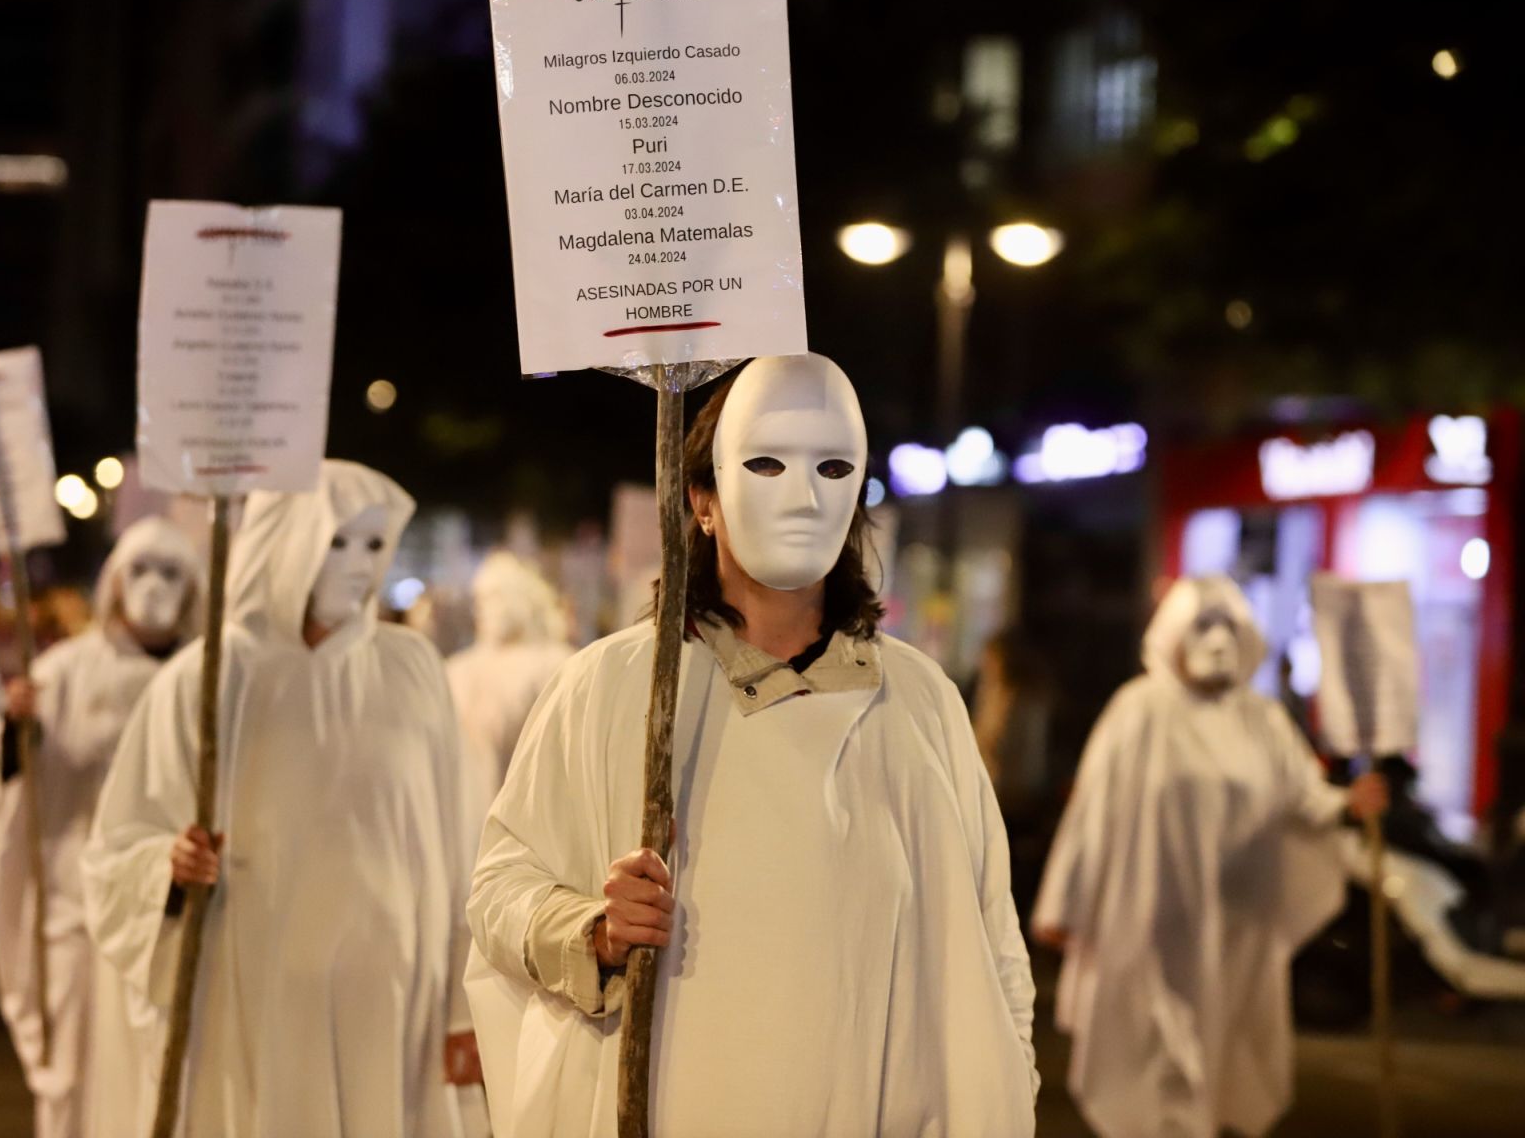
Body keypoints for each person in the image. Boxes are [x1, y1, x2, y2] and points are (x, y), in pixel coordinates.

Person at [467, 354, 1038, 1137]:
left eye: (834, 467)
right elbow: (500, 890)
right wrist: (597, 930)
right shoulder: (611, 686)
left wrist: (1009, 1088)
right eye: (766, 464)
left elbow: (991, 943)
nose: (803, 495)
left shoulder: (921, 701)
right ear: (702, 499)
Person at [81, 460, 477, 1137]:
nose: (358, 565)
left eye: (373, 546)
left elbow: (456, 839)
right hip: (256, 1001)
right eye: (336, 541)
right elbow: (121, 845)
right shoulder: (207, 678)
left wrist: (461, 1006)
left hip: (389, 1003)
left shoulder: (412, 671)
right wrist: (169, 868)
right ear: (286, 537)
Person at [1031, 575, 1389, 1138]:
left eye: (1228, 625)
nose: (1217, 640)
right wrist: (1065, 905)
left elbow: (1303, 797)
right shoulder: (1138, 712)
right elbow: (1092, 817)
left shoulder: (1262, 719)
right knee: (1159, 1054)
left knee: (1224, 1050)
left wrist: (1350, 804)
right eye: (1202, 625)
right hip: (1151, 925)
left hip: (1236, 931)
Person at [0, 518, 204, 1138]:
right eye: (142, 569)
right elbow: (6, 785)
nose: (154, 586)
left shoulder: (208, 677)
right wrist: (20, 730)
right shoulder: (65, 669)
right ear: (115, 580)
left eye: (171, 571)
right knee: (72, 1058)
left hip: (173, 909)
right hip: (76, 900)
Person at [446, 550, 576, 820]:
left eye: (498, 596)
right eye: (482, 599)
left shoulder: (553, 663)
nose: (487, 607)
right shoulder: (457, 669)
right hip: (463, 812)